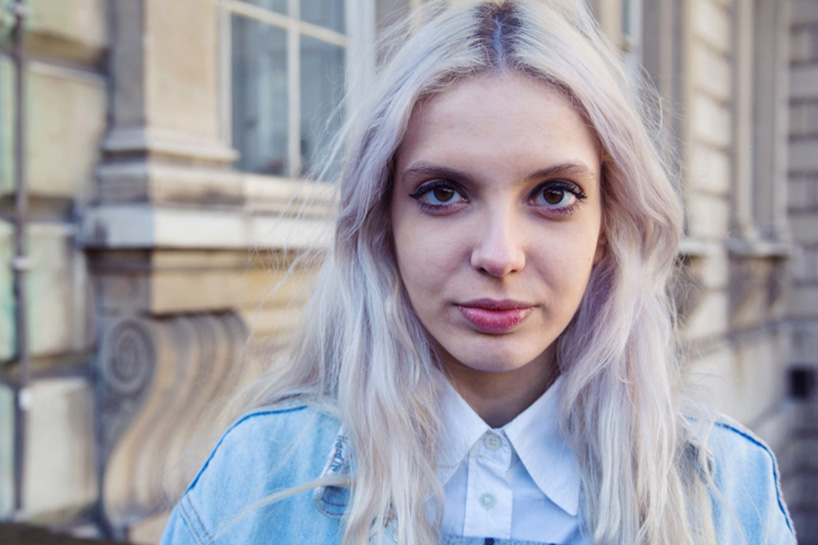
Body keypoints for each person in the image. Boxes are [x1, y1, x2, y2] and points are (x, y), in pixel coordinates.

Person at [159, 1, 796, 544]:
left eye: (553, 195)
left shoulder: (727, 495)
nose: (499, 254)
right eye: (442, 193)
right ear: (384, 223)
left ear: (609, 226)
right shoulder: (258, 482)